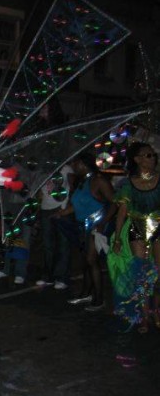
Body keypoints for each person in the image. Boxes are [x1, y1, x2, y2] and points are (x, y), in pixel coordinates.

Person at [109, 142, 160, 332]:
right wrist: (117, 239)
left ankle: (156, 311)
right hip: (137, 228)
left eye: (153, 155)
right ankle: (144, 316)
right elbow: (121, 213)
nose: (153, 158)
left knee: (158, 273)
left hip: (158, 227)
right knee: (142, 274)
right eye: (148, 155)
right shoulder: (128, 184)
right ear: (137, 159)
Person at [56, 153, 116, 311]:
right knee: (86, 262)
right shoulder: (82, 181)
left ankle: (99, 298)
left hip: (96, 225)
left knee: (91, 260)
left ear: (83, 164)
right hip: (82, 226)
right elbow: (77, 205)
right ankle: (86, 293)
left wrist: (103, 223)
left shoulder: (99, 180)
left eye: (75, 163)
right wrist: (61, 213)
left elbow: (115, 202)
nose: (73, 166)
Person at [36, 164, 75, 289]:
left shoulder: (66, 168)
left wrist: (64, 208)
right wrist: (38, 209)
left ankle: (62, 278)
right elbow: (40, 190)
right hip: (45, 209)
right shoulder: (43, 169)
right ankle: (48, 276)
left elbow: (72, 188)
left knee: (63, 244)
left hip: (60, 208)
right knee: (48, 245)